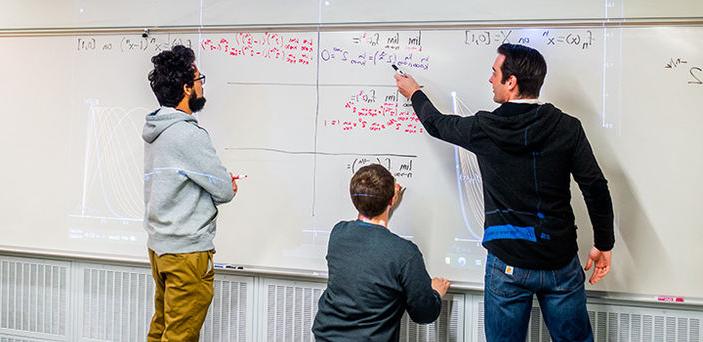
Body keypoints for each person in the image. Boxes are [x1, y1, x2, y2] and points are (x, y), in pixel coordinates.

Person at [395, 43, 614, 341]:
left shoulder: (485, 128)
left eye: (494, 72)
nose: (490, 79)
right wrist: (604, 242)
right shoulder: (566, 127)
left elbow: (436, 124)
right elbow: (594, 186)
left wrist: (414, 93)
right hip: (559, 261)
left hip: (507, 263)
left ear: (511, 82)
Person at [143, 45, 237, 341]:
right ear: (186, 88)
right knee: (180, 336)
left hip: (161, 249)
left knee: (161, 331)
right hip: (187, 253)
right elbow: (223, 189)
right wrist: (229, 183)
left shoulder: (156, 130)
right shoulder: (187, 134)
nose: (201, 86)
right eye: (199, 80)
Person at [312, 164, 450, 341]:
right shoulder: (404, 253)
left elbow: (372, 237)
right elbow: (424, 314)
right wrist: (436, 293)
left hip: (326, 337)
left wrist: (385, 205)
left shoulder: (338, 234)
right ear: (392, 199)